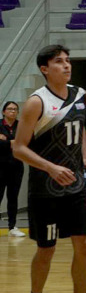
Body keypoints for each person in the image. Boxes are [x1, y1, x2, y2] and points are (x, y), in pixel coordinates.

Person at [13, 45, 86, 293]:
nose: (66, 66)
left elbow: (81, 128)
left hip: (76, 185)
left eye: (67, 61)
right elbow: (18, 148)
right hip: (45, 188)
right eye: (58, 62)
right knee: (46, 250)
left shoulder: (81, 95)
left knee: (84, 245)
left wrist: (85, 156)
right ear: (44, 69)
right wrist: (50, 167)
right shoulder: (36, 103)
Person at [0, 101, 25, 237]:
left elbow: (24, 142)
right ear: (4, 112)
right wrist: (11, 142)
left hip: (16, 166)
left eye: (15, 109)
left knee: (13, 197)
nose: (13, 111)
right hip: (0, 166)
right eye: (10, 109)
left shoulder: (21, 125)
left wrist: (5, 141)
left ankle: (12, 227)